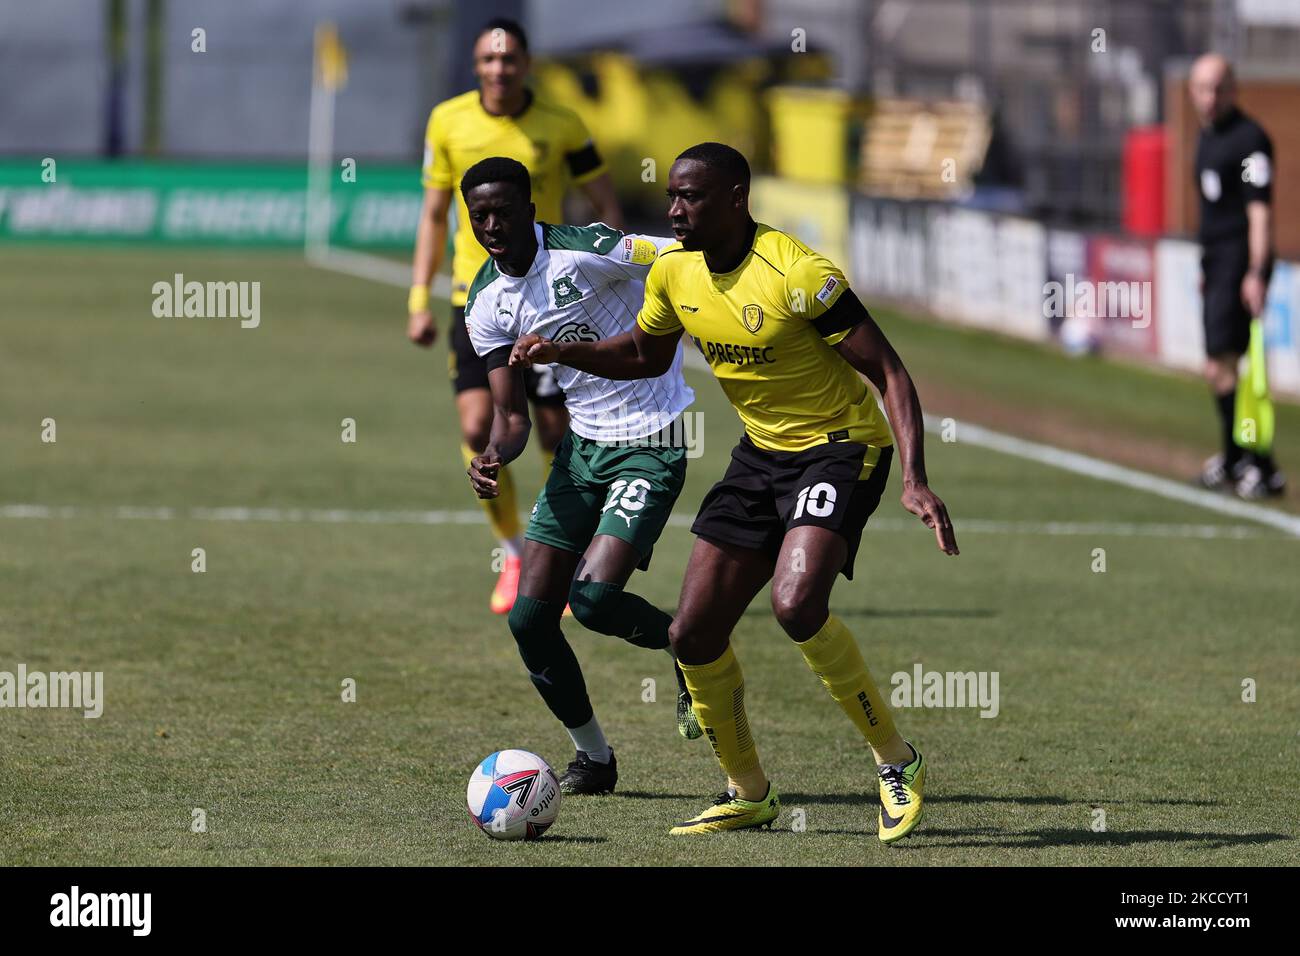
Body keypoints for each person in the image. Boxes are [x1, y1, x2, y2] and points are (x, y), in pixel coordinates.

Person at [512, 143, 958, 842]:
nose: (674, 209)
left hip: (841, 449)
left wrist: (916, 479)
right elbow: (642, 354)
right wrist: (561, 348)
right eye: (673, 197)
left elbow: (890, 374)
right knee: (691, 634)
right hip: (759, 457)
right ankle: (749, 794)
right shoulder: (674, 272)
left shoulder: (799, 274)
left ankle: (896, 762)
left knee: (795, 603)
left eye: (690, 196)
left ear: (735, 198)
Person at [460, 157, 701, 795]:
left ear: (530, 207)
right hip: (582, 451)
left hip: (655, 439)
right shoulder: (485, 301)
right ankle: (594, 759)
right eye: (479, 215)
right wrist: (493, 456)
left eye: (503, 212)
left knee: (592, 601)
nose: (491, 226)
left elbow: (680, 252)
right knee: (530, 618)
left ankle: (687, 644)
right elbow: (510, 417)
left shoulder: (588, 249)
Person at [408, 17, 625, 613]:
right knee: (480, 428)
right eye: (488, 60)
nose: (499, 69)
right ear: (476, 66)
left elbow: (604, 196)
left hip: (551, 301)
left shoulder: (563, 123)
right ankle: (513, 552)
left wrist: (612, 276)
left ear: (527, 64)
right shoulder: (447, 121)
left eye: (509, 60)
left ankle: (567, 551)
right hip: (473, 301)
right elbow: (433, 214)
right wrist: (417, 298)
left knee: (557, 433)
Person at [1189, 53, 1285, 498]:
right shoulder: (1207, 138)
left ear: (1232, 89)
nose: (1209, 98)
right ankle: (1238, 459)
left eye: (1217, 88)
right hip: (1217, 263)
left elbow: (1259, 213)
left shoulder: (1250, 140)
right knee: (1221, 367)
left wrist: (1255, 272)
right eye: (1201, 89)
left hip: (1240, 261)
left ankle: (1255, 463)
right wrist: (1205, 268)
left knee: (1227, 366)